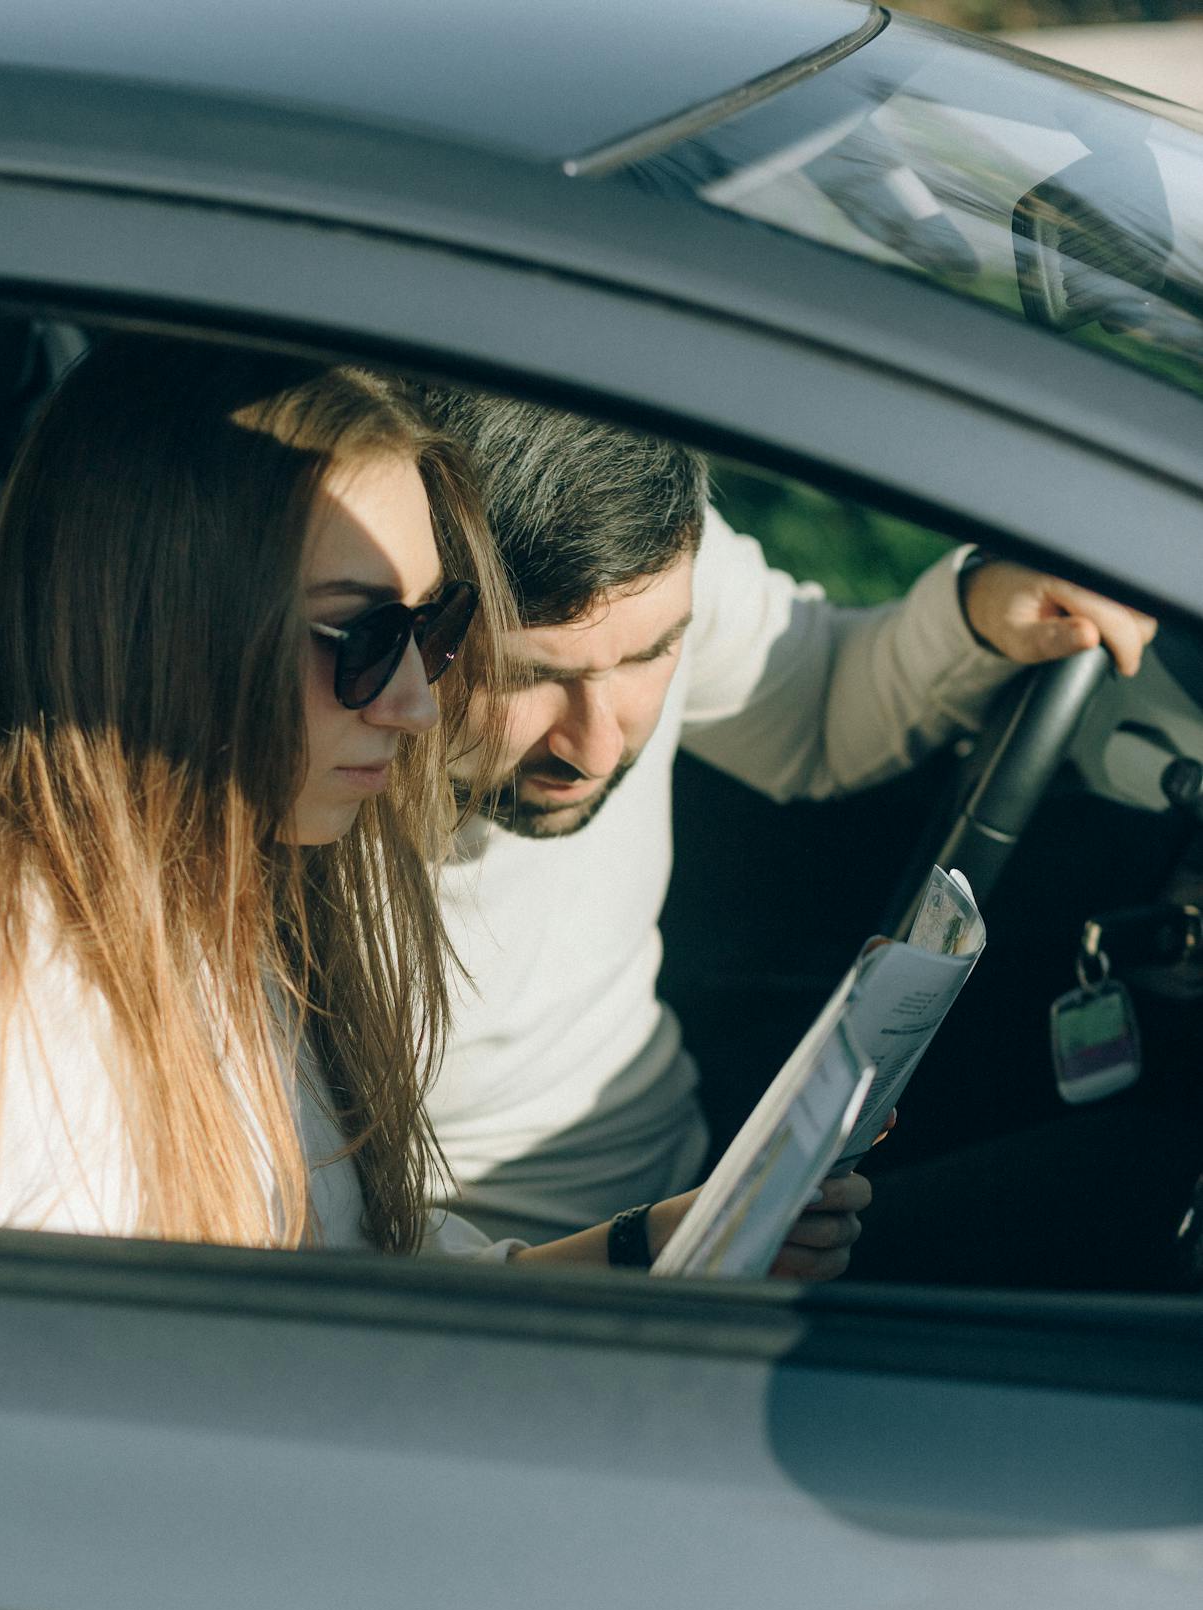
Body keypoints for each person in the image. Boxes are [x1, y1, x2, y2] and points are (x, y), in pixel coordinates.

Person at [0, 339, 779, 1274]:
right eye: (363, 635)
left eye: (433, 630)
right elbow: (7, 1402)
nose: (414, 703)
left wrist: (643, 1252)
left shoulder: (241, 893)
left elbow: (357, 1277)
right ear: (174, 626)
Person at [416, 389, 1158, 1248]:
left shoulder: (642, 552)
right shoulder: (277, 820)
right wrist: (647, 1250)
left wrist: (980, 614)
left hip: (699, 1183)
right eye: (519, 677)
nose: (597, 745)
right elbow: (323, 1249)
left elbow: (810, 708)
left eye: (653, 654)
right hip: (509, 1315)